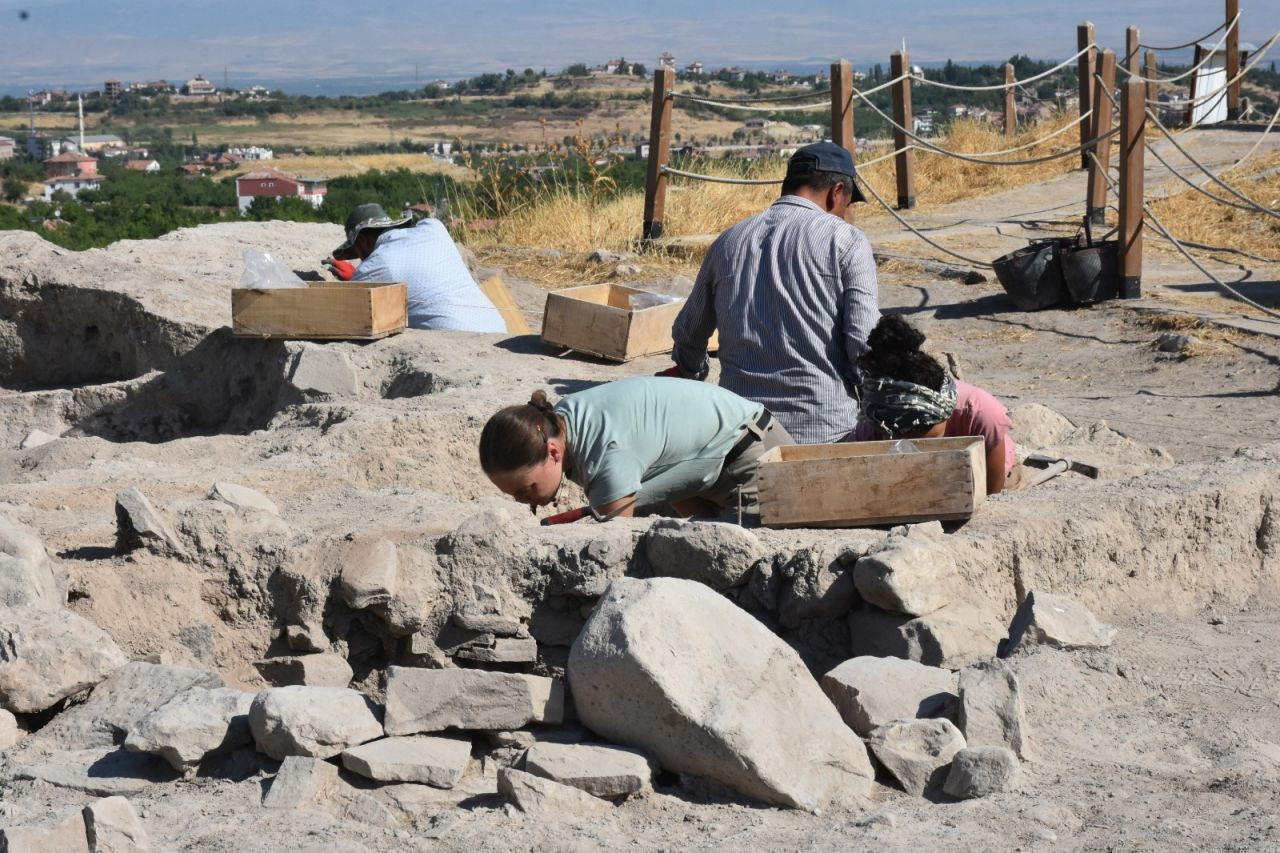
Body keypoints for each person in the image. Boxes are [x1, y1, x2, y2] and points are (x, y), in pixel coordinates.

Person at [662, 141, 880, 444]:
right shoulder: (846, 241)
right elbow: (864, 341)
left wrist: (691, 374)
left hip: (738, 433)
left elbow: (688, 333)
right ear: (837, 192)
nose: (844, 212)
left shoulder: (729, 240)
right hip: (824, 430)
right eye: (848, 202)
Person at [478, 376, 793, 521]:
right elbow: (669, 467)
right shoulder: (563, 420)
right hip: (715, 462)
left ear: (553, 452)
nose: (522, 500)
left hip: (757, 460)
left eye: (525, 488)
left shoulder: (605, 454)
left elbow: (609, 550)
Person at [852, 315, 1017, 494]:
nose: (911, 444)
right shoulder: (875, 421)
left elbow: (992, 492)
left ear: (944, 413)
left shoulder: (981, 413)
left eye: (921, 431)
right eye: (899, 434)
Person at [326, 203, 507, 333]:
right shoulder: (434, 228)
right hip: (498, 328)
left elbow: (346, 311)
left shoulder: (377, 264)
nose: (362, 260)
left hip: (460, 341)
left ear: (362, 240)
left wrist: (358, 278)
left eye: (358, 252)